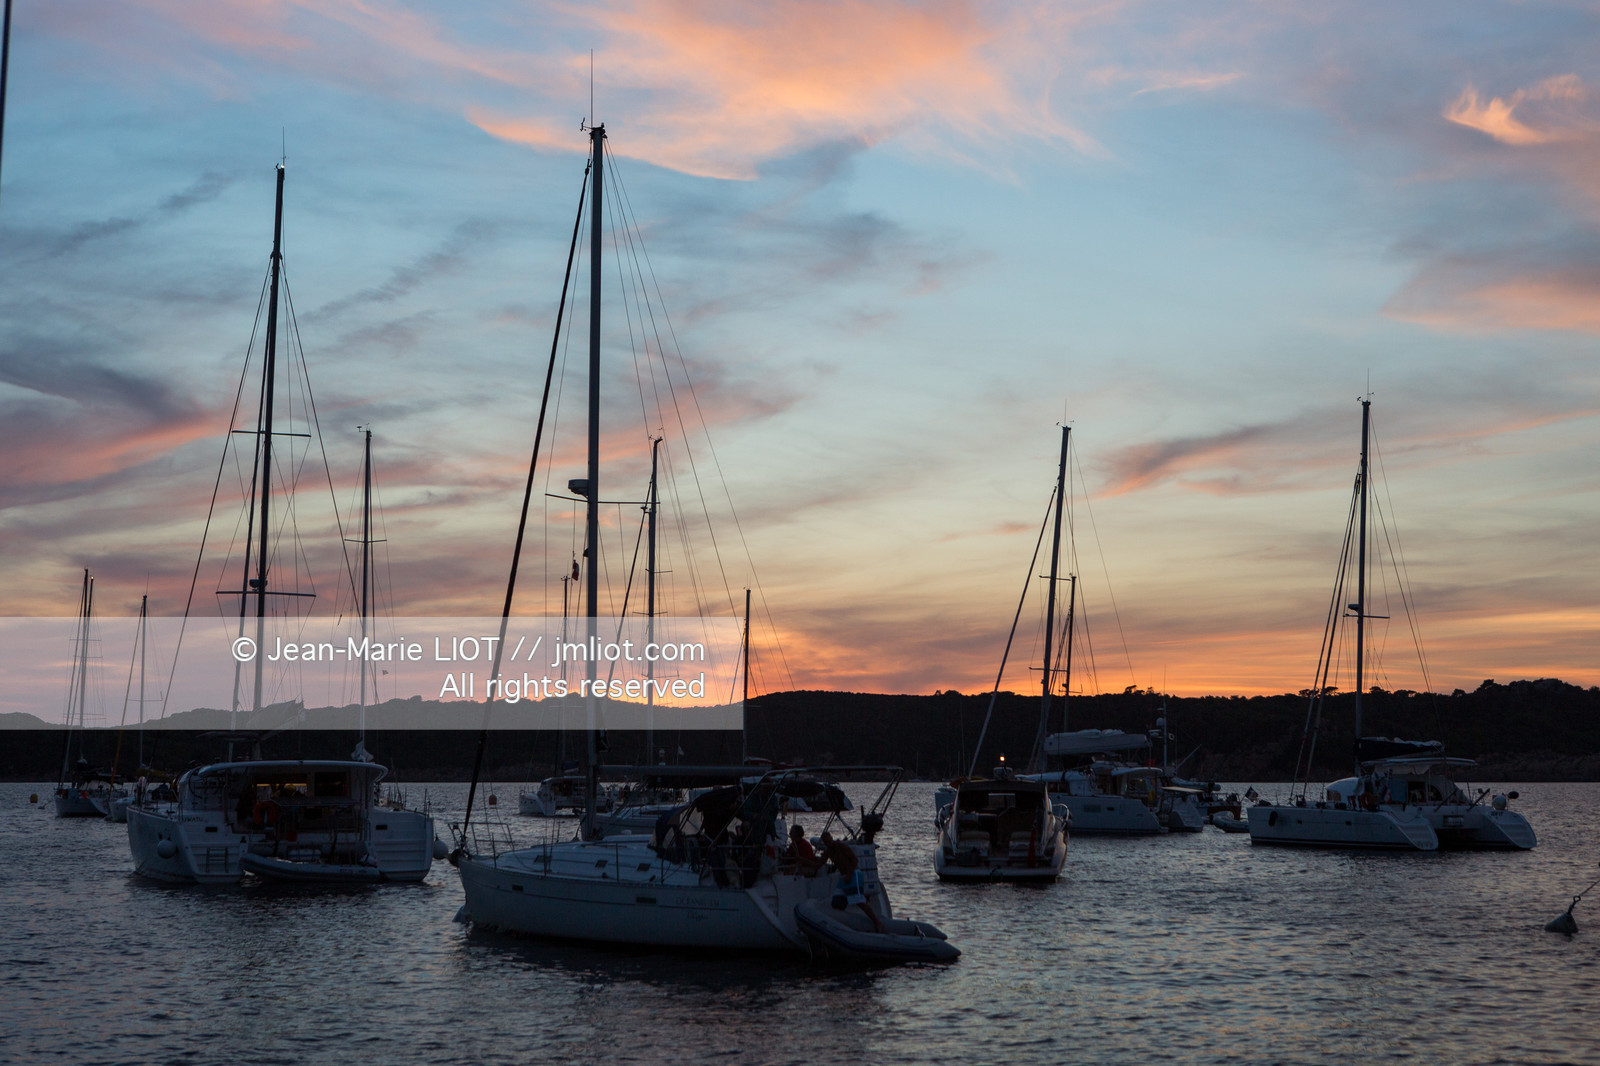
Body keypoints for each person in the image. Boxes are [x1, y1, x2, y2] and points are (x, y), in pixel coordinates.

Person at [820, 831, 884, 933]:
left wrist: (849, 875)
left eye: (829, 840)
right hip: (844, 877)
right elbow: (820, 863)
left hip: (854, 875)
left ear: (831, 838)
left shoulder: (841, 847)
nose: (828, 843)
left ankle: (877, 922)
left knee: (859, 902)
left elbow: (854, 860)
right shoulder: (829, 851)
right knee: (837, 902)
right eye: (826, 842)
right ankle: (845, 922)